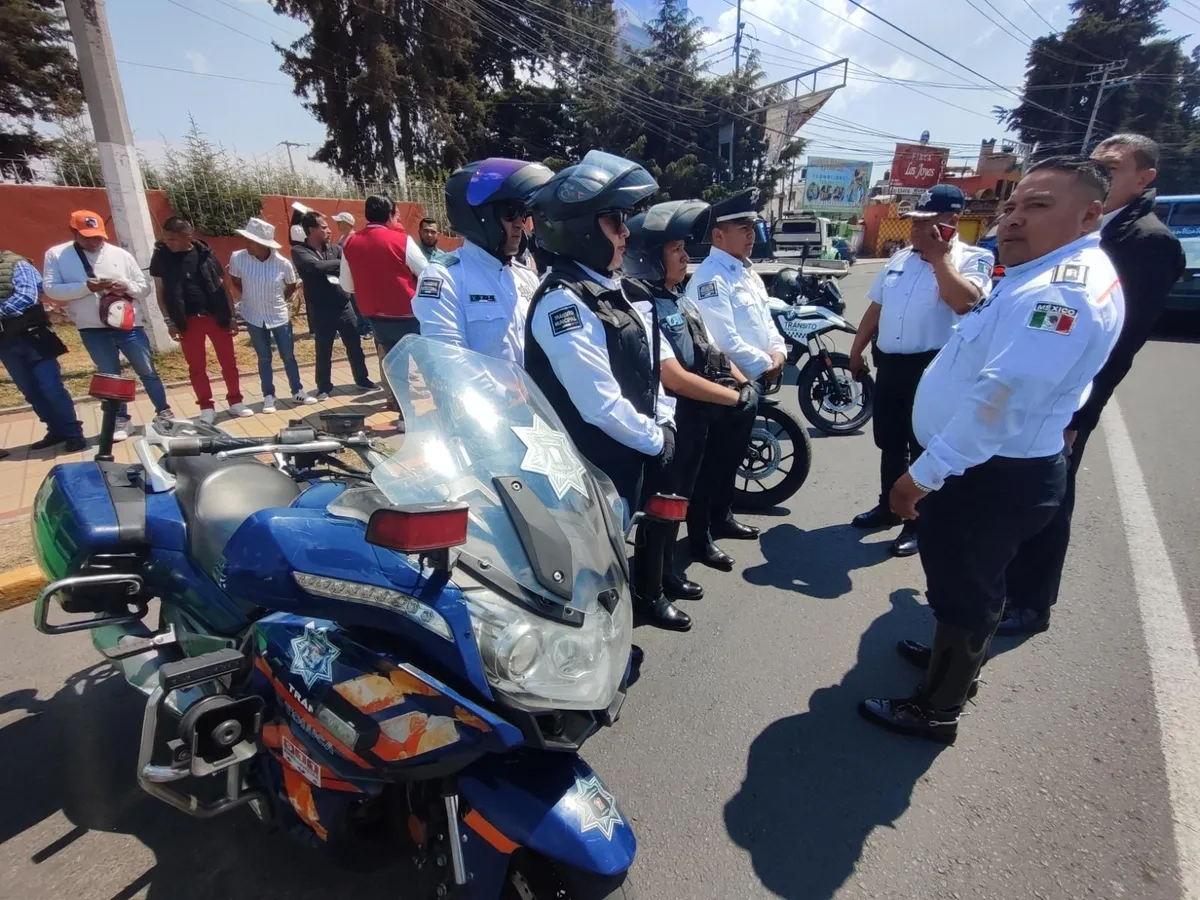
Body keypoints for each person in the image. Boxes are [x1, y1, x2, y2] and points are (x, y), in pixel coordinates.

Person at [860, 158, 1124, 743]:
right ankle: (950, 663)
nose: (1014, 218)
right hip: (988, 467)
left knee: (967, 584)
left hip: (989, 473)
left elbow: (1000, 400)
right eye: (1012, 204)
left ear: (1089, 214)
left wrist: (920, 476)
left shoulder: (1061, 291)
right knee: (966, 582)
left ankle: (936, 708)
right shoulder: (1039, 274)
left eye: (1038, 206)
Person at [999, 134, 1187, 636]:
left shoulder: (1147, 241)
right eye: (1095, 165)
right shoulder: (1092, 230)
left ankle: (1030, 601)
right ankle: (1000, 591)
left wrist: (1077, 417)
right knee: (1013, 494)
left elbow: (1118, 344)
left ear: (1145, 177)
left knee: (1047, 497)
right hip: (1031, 386)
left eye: (1112, 166)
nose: (1099, 173)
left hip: (1065, 399)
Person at [524, 150, 686, 631]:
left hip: (625, 454)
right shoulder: (562, 303)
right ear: (582, 229)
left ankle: (610, 639)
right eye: (615, 222)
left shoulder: (612, 287)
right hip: (590, 465)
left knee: (613, 557)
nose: (626, 233)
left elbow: (651, 369)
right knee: (589, 571)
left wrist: (665, 418)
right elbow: (599, 404)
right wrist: (657, 439)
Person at [623, 200, 759, 608]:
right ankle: (650, 588)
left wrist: (740, 381)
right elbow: (673, 376)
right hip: (670, 418)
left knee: (686, 495)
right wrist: (736, 398)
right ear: (649, 257)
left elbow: (709, 348)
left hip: (698, 417)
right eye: (675, 249)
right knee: (661, 505)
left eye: (684, 247)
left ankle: (667, 571)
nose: (685, 256)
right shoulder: (642, 304)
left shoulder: (678, 297)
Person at [847, 184, 993, 557]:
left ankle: (918, 521)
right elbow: (876, 309)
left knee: (922, 444)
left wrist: (939, 257)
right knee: (889, 441)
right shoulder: (898, 261)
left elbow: (965, 303)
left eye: (928, 222)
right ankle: (888, 507)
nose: (917, 229)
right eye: (914, 222)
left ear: (952, 221)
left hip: (931, 369)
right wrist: (857, 347)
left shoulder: (972, 259)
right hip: (891, 364)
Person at [684, 189, 778, 568]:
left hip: (749, 380)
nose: (751, 233)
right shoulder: (711, 278)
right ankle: (700, 535)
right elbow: (724, 341)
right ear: (718, 235)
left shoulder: (747, 272)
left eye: (752, 226)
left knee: (731, 460)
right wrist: (766, 364)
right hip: (722, 386)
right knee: (711, 465)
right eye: (742, 227)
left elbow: (766, 320)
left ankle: (722, 518)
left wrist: (778, 352)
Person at [42, 210, 174, 440]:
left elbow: (143, 288)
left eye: (98, 236)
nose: (94, 242)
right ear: (74, 232)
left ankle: (164, 411)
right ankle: (121, 419)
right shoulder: (57, 255)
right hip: (92, 328)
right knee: (111, 376)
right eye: (87, 237)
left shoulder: (120, 255)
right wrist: (85, 286)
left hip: (128, 325)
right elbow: (51, 289)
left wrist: (125, 286)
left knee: (147, 370)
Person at [413, 158, 552, 364]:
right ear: (479, 216)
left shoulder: (526, 277)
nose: (520, 224)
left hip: (535, 395)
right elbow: (449, 363)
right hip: (484, 396)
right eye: (510, 213)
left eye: (522, 214)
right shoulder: (444, 279)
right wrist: (503, 392)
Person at [150, 217, 252, 424]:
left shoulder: (205, 253)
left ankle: (235, 402)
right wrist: (169, 322)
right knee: (196, 367)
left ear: (187, 237)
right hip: (187, 320)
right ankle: (206, 406)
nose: (168, 243)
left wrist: (232, 316)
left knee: (229, 363)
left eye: (173, 239)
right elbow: (160, 292)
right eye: (166, 239)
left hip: (216, 316)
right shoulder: (161, 257)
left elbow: (222, 286)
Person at [340, 194, 428, 424]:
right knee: (428, 364)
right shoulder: (401, 240)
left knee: (395, 367)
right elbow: (427, 273)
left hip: (376, 317)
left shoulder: (350, 242)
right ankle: (446, 412)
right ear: (390, 215)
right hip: (409, 315)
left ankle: (404, 417)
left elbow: (347, 285)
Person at [228, 217, 317, 413]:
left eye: (251, 241)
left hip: (278, 315)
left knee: (288, 355)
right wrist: (250, 297)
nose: (247, 244)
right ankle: (268, 396)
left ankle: (297, 391)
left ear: (262, 244)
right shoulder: (238, 258)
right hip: (253, 315)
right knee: (264, 357)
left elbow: (291, 285)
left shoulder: (282, 263)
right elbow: (235, 280)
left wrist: (278, 301)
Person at [0, 249, 85, 453]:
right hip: (5, 342)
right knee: (29, 390)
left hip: (33, 336)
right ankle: (55, 430)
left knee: (50, 386)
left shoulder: (16, 264)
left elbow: (26, 296)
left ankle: (73, 434)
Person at [291, 212, 376, 399]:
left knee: (354, 345)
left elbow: (346, 266)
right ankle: (324, 387)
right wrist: (338, 264)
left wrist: (333, 264)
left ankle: (362, 380)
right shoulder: (299, 251)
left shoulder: (335, 249)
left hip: (344, 305)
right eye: (323, 227)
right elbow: (314, 267)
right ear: (311, 230)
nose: (328, 230)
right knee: (324, 349)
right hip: (321, 309)